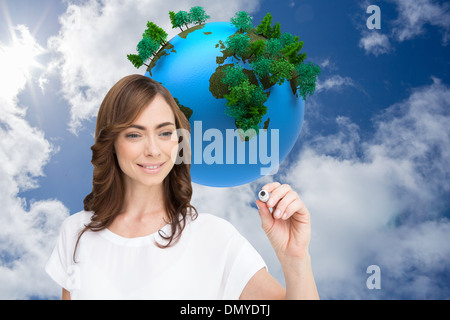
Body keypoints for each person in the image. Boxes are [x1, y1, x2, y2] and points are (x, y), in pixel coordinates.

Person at [45, 74, 319, 300]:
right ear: (112, 142)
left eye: (165, 133)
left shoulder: (214, 237)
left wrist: (295, 258)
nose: (153, 150)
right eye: (134, 134)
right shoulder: (75, 233)